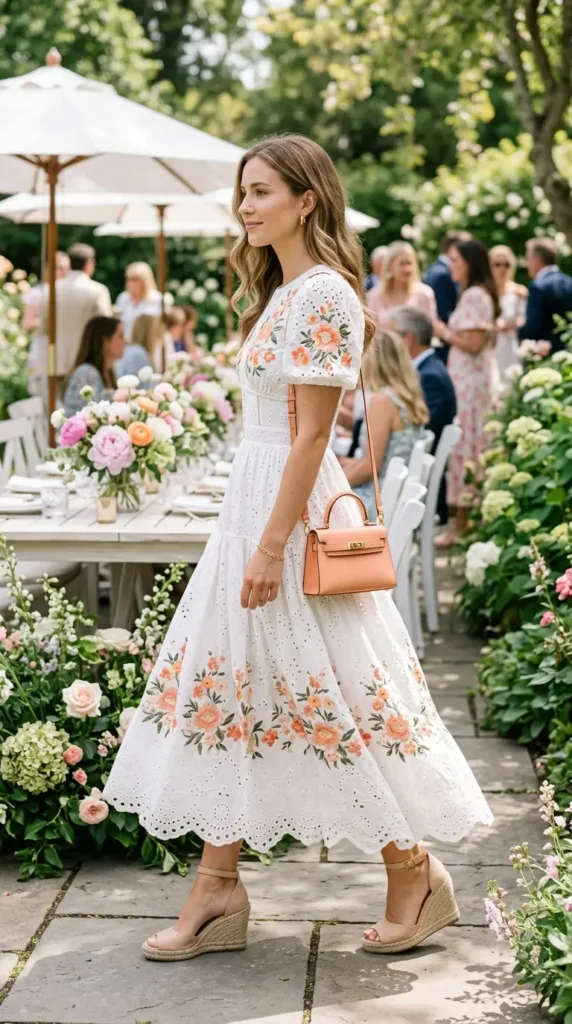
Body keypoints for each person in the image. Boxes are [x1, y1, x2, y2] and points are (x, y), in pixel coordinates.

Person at [103, 132, 492, 964]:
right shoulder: (285, 292)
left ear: (306, 199)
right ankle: (217, 888)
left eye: (262, 191)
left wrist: (270, 543)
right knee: (241, 683)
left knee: (333, 688)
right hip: (256, 501)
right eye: (242, 193)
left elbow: (315, 434)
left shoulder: (322, 296)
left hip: (283, 512)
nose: (246, 206)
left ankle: (414, 871)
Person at [436, 239, 499, 546]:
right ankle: (465, 524)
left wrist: (442, 332)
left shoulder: (475, 295)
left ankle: (462, 526)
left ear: (470, 264)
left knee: (467, 450)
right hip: (469, 382)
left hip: (470, 388)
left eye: (456, 261)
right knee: (467, 450)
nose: (451, 267)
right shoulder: (472, 294)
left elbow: (473, 344)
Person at [340, 329, 429, 521]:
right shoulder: (404, 398)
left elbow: (370, 466)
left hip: (379, 498)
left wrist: (336, 489)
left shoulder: (382, 401)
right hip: (392, 493)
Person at [395, 306, 457, 523]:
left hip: (414, 487)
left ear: (408, 339)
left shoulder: (431, 377)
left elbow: (422, 431)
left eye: (395, 336)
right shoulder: (425, 370)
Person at [43, 243, 112, 388]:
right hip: (88, 362)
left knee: (58, 408)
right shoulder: (98, 291)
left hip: (57, 361)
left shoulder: (51, 290)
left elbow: (45, 327)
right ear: (90, 264)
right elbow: (107, 330)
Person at [23, 251, 70, 405]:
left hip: (63, 351)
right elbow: (27, 323)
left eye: (66, 268)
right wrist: (48, 321)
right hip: (43, 350)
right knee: (42, 396)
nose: (64, 272)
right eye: (59, 268)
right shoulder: (38, 293)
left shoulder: (69, 293)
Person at [424, 231, 472, 364]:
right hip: (446, 345)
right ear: (452, 248)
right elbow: (443, 311)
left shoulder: (437, 269)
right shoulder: (442, 274)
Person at [63, 316, 125, 417]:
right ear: (105, 341)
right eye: (120, 336)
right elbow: (94, 417)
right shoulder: (87, 373)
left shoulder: (109, 373)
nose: (125, 342)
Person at [367, 241, 437, 330]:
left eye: (409, 263)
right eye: (402, 263)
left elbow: (431, 329)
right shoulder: (374, 296)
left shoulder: (425, 293)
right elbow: (371, 331)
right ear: (390, 266)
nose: (406, 268)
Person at [519, 238, 572, 353]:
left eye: (528, 259)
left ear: (537, 259)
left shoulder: (537, 286)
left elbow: (533, 328)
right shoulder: (569, 283)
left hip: (546, 356)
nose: (527, 264)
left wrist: (516, 330)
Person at [489, 245, 528, 381]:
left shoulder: (519, 291)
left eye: (506, 264)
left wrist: (511, 324)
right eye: (497, 264)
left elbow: (524, 319)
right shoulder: (484, 292)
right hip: (490, 345)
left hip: (510, 345)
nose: (502, 269)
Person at [115, 262, 162, 342]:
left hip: (149, 345)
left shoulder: (157, 299)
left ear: (145, 280)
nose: (130, 282)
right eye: (128, 278)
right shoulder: (122, 298)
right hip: (126, 346)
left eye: (134, 279)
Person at [116, 314, 163, 380]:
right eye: (157, 332)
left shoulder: (131, 350)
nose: (159, 336)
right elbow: (144, 385)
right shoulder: (138, 354)